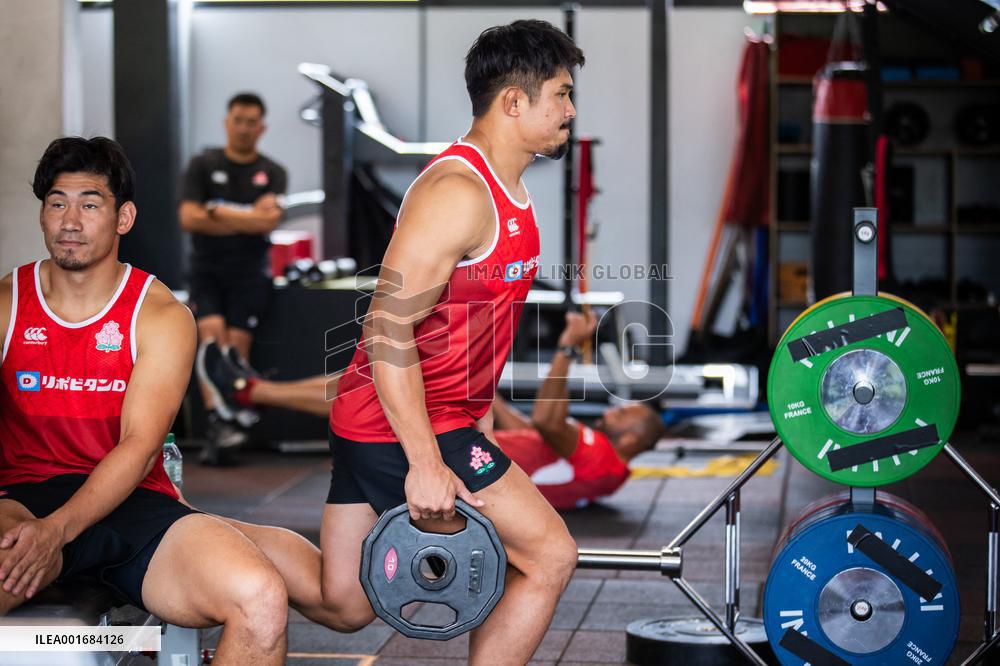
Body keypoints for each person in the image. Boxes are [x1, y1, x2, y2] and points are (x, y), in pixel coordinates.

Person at [0, 137, 288, 665]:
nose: (70, 220)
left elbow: (137, 447)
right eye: (57, 203)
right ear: (42, 215)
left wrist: (56, 533)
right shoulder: (5, 305)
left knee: (261, 598)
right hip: (24, 499)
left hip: (131, 502)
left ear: (123, 217)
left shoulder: (158, 314)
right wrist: (34, 531)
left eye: (89, 204)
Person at [198, 310, 665, 510]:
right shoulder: (591, 453)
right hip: (483, 443)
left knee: (369, 386)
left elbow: (546, 421)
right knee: (367, 379)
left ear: (632, 439)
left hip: (471, 465)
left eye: (627, 415)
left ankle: (245, 391)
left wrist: (566, 348)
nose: (617, 410)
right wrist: (483, 387)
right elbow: (531, 430)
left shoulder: (604, 460)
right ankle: (247, 389)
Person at [178, 92, 287, 464]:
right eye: (238, 120)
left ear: (262, 128)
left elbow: (269, 222)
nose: (244, 128)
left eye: (251, 121)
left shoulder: (272, 171)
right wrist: (247, 220)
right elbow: (189, 218)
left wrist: (218, 211)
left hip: (250, 274)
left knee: (234, 351)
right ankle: (217, 424)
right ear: (227, 122)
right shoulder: (203, 164)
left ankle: (234, 422)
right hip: (207, 271)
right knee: (211, 343)